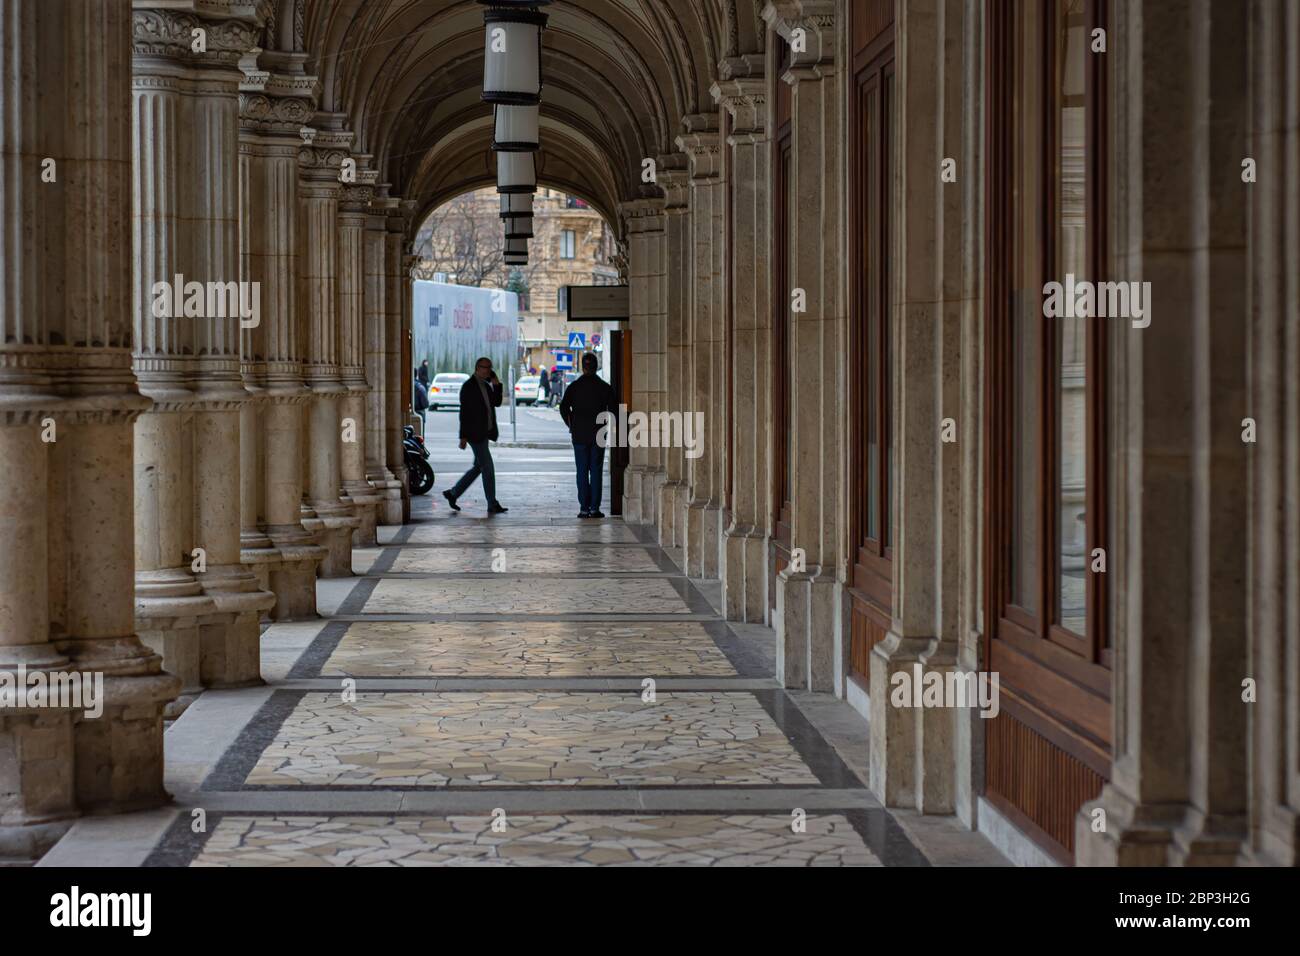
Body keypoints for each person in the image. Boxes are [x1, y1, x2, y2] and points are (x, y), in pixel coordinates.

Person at [443, 357, 508, 514]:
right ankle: (492, 503)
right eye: (484, 368)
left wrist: (496, 384)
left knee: (479, 467)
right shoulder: (468, 386)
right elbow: (464, 413)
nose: (487, 370)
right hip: (474, 434)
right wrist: (463, 436)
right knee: (488, 467)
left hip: (484, 433)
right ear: (477, 368)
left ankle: (453, 493)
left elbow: (497, 402)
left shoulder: (486, 385)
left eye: (489, 368)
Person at [560, 352, 616, 519]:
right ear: (596, 366)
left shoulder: (574, 387)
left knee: (582, 471)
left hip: (579, 435)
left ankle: (584, 508)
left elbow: (564, 408)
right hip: (599, 434)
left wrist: (571, 424)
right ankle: (594, 508)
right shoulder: (605, 387)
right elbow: (613, 411)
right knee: (596, 470)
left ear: (583, 366)